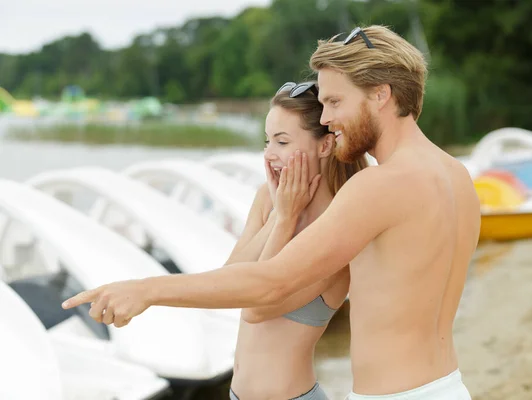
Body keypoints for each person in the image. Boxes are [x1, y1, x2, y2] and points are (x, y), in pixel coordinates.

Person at [63, 25, 481, 400]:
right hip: (447, 386)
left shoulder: (378, 185)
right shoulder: (455, 175)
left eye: (336, 101)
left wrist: (146, 290)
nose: (328, 117)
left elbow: (271, 285)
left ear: (381, 94)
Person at [225, 81, 366, 400]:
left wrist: (286, 218)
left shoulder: (338, 225)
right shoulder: (268, 199)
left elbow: (254, 307)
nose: (269, 154)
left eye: (283, 141)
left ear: (325, 146)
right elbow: (229, 280)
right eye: (267, 141)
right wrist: (278, 213)